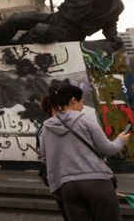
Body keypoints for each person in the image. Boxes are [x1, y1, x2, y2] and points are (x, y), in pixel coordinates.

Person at [40, 84, 130, 220]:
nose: (82, 105)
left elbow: (45, 158)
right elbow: (108, 149)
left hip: (67, 186)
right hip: (96, 181)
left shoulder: (45, 129)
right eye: (81, 101)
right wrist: (121, 140)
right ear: (73, 100)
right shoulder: (84, 119)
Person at [38, 94, 68, 221]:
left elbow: (42, 153)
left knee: (66, 210)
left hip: (56, 176)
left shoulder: (43, 128)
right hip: (70, 173)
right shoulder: (68, 124)